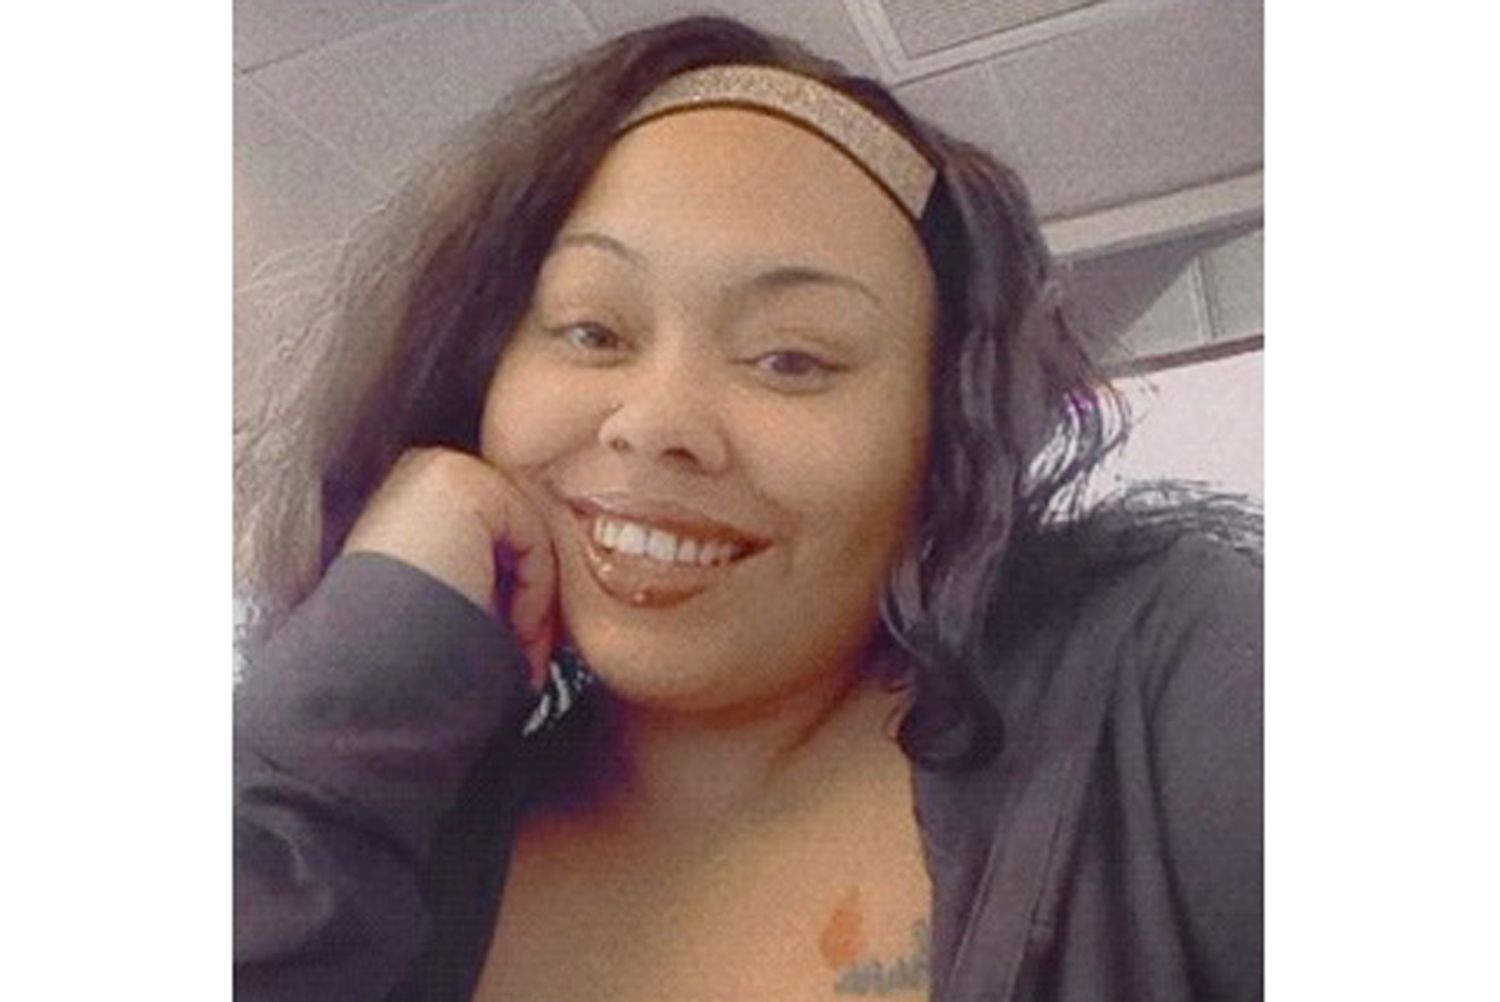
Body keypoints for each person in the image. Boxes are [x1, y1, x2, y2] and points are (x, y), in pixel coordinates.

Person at [234, 15, 1261, 1002]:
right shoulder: (399, 832)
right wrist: (361, 673)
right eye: (591, 331)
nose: (656, 423)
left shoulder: (1153, 691)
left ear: (943, 437)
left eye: (791, 358)